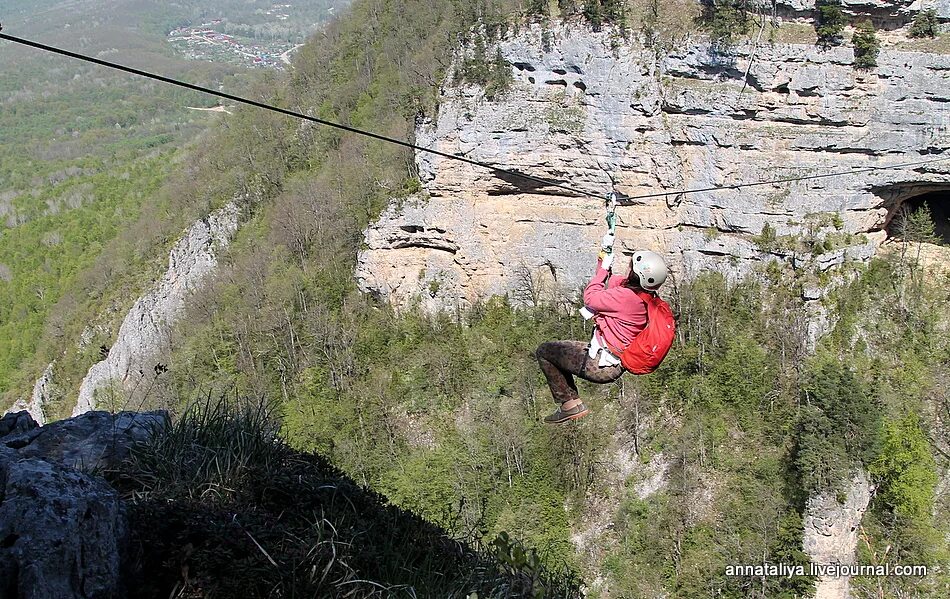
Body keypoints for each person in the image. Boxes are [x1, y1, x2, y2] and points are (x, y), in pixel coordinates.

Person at [536, 238, 668, 424]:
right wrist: (603, 260)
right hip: (609, 359)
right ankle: (571, 403)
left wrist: (602, 272)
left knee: (544, 351)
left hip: (600, 365)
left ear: (636, 273)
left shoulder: (627, 298)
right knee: (560, 349)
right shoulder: (644, 296)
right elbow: (611, 282)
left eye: (631, 267)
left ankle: (569, 404)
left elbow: (591, 297)